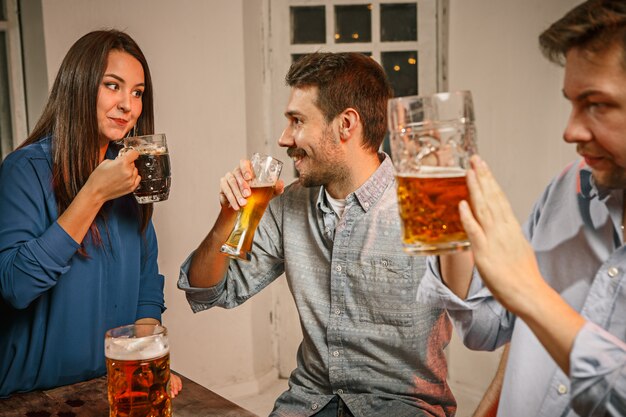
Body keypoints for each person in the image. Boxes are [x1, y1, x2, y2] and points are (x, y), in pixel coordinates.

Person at [178, 52, 456, 417]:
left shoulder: (423, 203)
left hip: (400, 407)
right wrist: (227, 218)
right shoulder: (287, 204)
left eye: (296, 121)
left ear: (345, 125)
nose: (283, 138)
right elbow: (210, 289)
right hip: (309, 403)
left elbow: (479, 309)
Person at [418, 1, 626, 416]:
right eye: (571, 102)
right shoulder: (567, 189)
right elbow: (488, 326)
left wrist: (529, 291)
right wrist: (453, 222)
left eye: (596, 104)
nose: (571, 130)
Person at [0, 30, 181, 397]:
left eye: (137, 92)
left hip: (109, 389)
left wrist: (146, 359)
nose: (127, 105)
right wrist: (94, 193)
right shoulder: (25, 170)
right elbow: (16, 286)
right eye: (112, 86)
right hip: (33, 397)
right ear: (79, 87)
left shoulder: (131, 177)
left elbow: (146, 282)